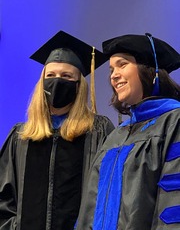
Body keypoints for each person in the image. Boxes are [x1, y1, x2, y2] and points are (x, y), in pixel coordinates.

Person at [0, 30, 115, 230]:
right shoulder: (21, 136)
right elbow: (4, 197)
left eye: (66, 76)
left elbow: (107, 193)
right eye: (50, 75)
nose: (57, 81)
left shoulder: (98, 131)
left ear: (79, 85)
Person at [76, 33, 180, 230]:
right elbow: (90, 208)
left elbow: (174, 206)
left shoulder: (174, 122)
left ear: (150, 70)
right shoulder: (116, 135)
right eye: (111, 69)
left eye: (122, 64)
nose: (113, 75)